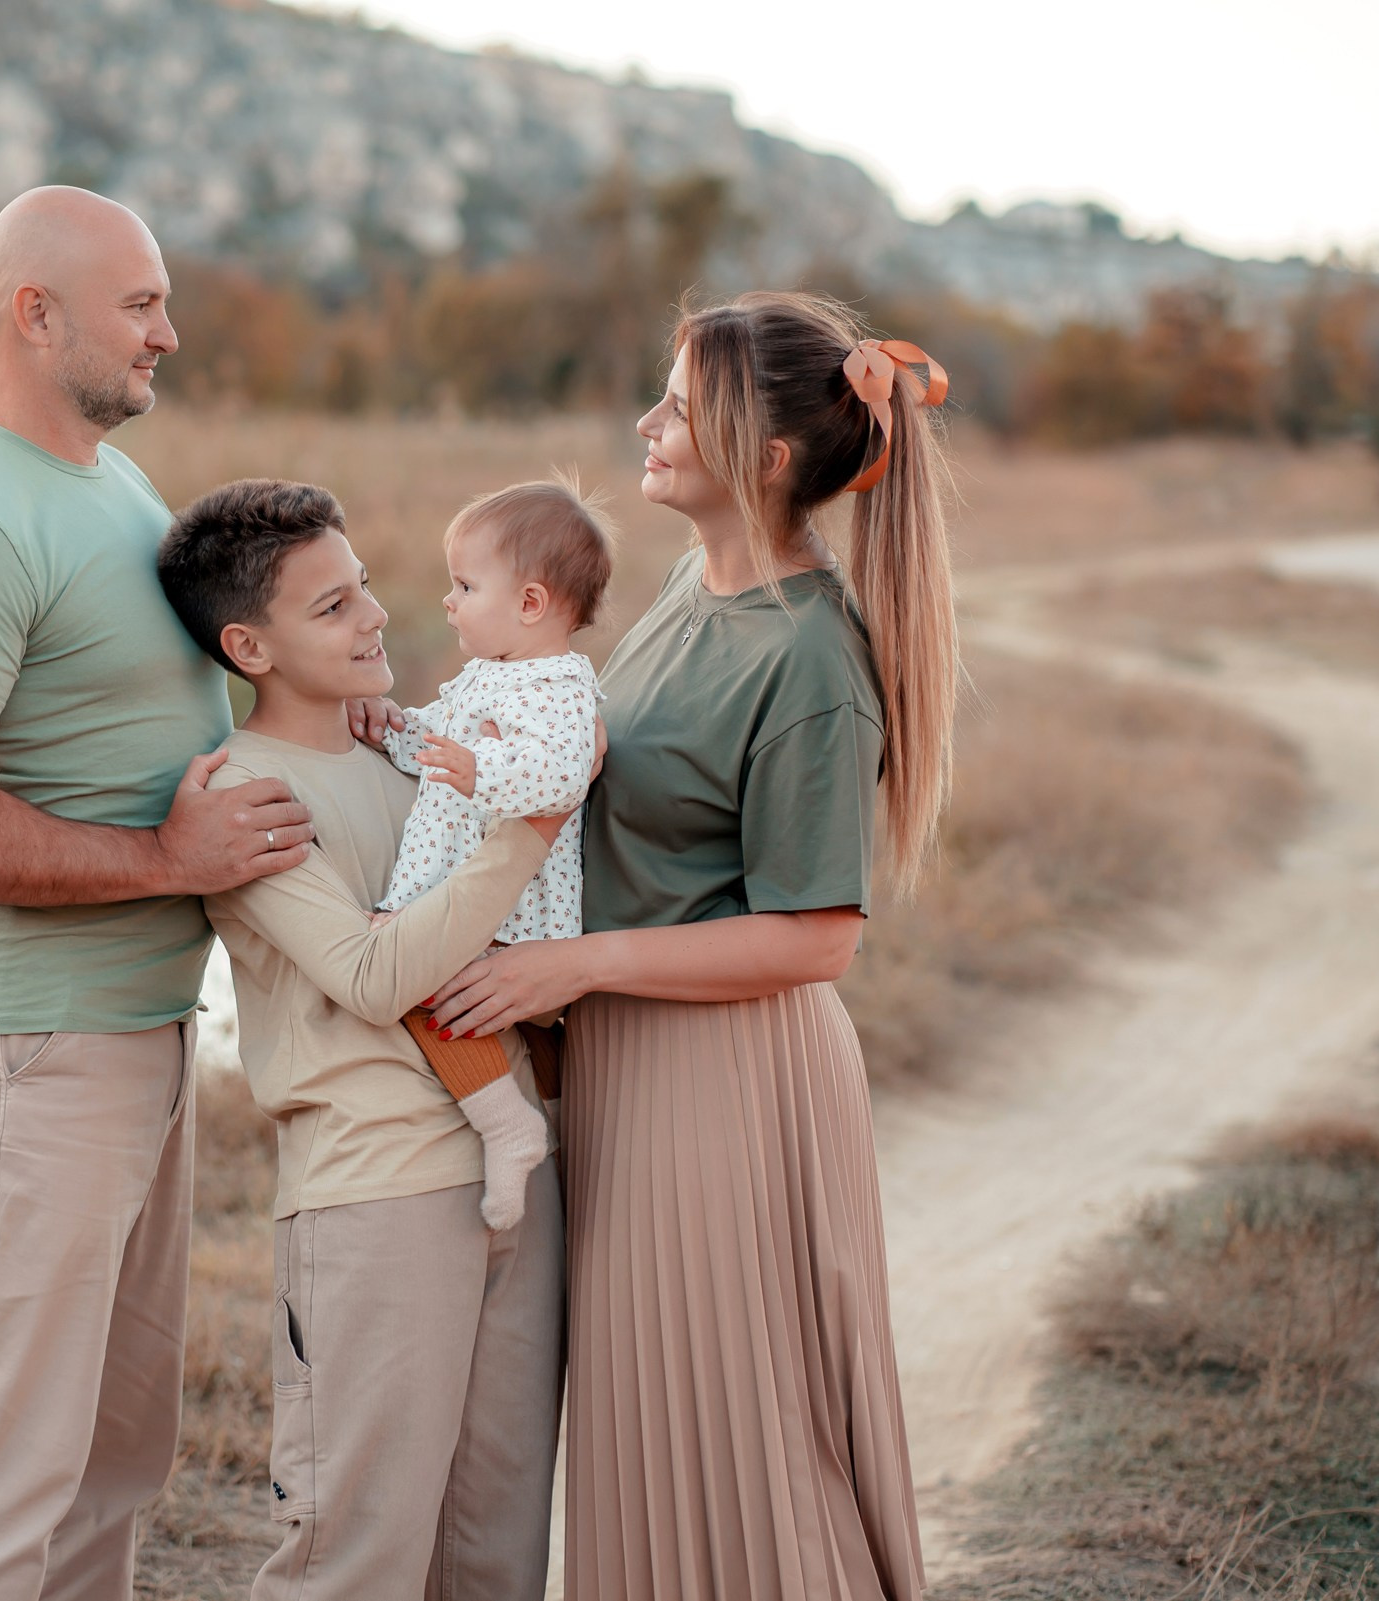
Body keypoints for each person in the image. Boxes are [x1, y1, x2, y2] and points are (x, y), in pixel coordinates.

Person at [428, 292, 958, 1599]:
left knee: (745, 1442)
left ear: (764, 460)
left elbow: (817, 939)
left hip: (729, 1082)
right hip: (628, 1063)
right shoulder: (685, 587)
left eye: (676, 407)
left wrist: (574, 967)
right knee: (652, 1433)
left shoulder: (810, 660)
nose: (645, 424)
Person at [0, 187, 319, 1601]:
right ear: (34, 315)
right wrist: (167, 865)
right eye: (141, 305)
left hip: (129, 1031)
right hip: (24, 1048)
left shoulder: (111, 485)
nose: (169, 333)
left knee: (110, 1463)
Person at [154, 478, 571, 1601]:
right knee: (355, 1557)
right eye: (332, 606)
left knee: (498, 1546)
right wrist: (532, 825)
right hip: (374, 1195)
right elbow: (375, 976)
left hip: (515, 1171)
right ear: (249, 647)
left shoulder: (406, 749)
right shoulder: (246, 793)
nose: (376, 616)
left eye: (366, 587)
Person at [369, 479, 613, 1229]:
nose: (449, 602)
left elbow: (563, 772)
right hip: (474, 884)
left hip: (511, 901)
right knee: (524, 1026)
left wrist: (483, 769)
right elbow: (441, 745)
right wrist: (394, 729)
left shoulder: (560, 684)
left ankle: (507, 1125)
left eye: (466, 586)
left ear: (531, 603)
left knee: (421, 983)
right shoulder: (491, 673)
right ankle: (556, 1118)